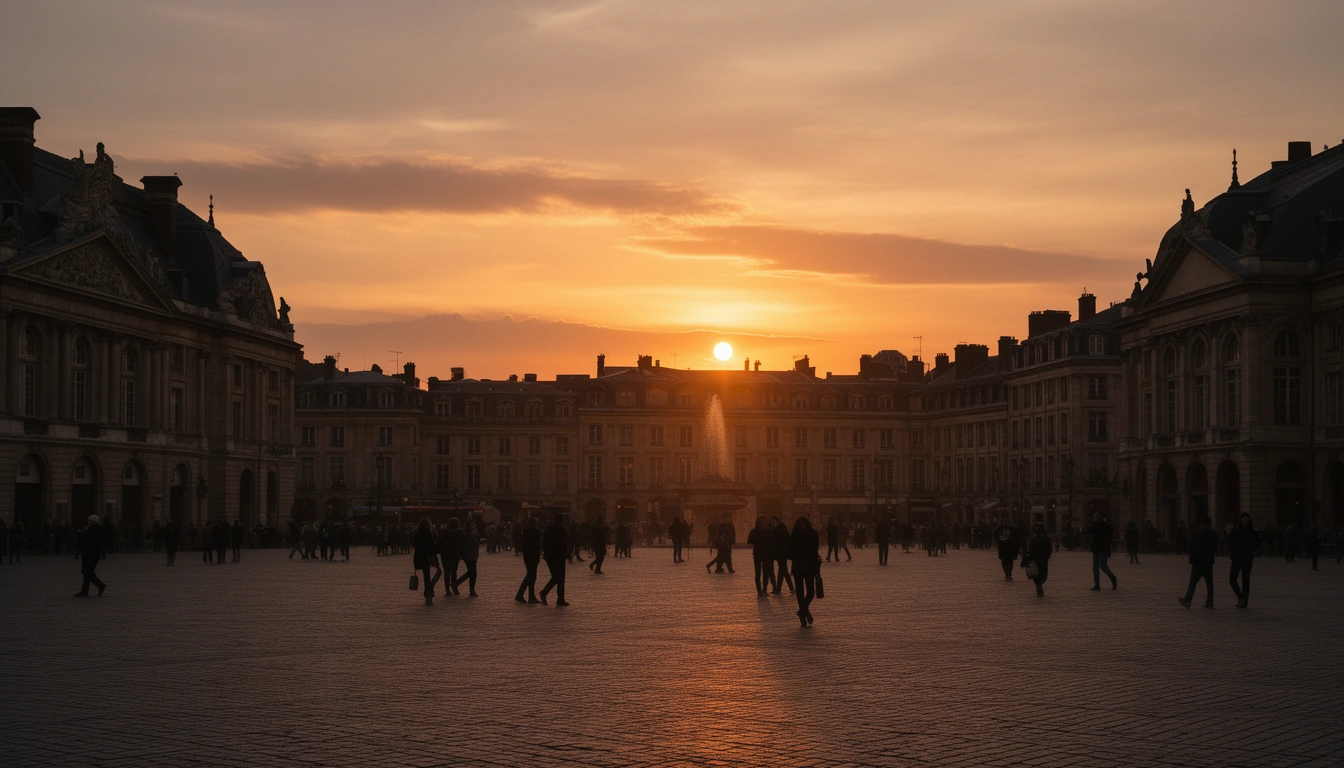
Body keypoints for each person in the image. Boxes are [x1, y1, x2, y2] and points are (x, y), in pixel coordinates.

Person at [1179, 515, 1218, 608]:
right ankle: (1210, 602)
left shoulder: (1197, 531)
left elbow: (1191, 545)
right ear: (1210, 523)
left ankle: (1188, 600)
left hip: (1198, 561)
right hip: (1208, 561)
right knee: (1209, 582)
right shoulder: (1213, 533)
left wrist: (1191, 559)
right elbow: (1215, 547)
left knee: (1193, 582)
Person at [789, 517, 821, 627]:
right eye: (799, 524)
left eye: (803, 524)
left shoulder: (813, 534)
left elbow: (815, 550)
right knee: (800, 592)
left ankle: (802, 611)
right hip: (798, 566)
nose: (801, 526)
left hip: (810, 566)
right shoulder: (794, 535)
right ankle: (804, 614)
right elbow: (790, 552)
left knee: (811, 591)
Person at [1227, 513, 1259, 608]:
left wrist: (1251, 548)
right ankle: (1241, 597)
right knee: (1232, 580)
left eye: (1246, 518)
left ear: (1249, 519)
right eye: (1242, 518)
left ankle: (1244, 601)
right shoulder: (1236, 530)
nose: (1244, 520)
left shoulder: (1253, 531)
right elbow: (1231, 542)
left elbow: (1257, 543)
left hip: (1247, 558)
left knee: (1245, 580)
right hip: (1237, 558)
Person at [540, 514, 570, 606]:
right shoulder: (561, 529)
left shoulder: (548, 529)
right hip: (559, 556)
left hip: (549, 555)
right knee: (559, 578)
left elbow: (544, 541)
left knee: (556, 577)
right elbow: (564, 543)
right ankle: (555, 597)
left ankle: (558, 598)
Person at [74, 515, 106, 597]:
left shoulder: (94, 530)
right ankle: (85, 591)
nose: (88, 522)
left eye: (90, 521)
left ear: (94, 522)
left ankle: (100, 585)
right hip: (90, 554)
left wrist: (81, 534)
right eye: (88, 521)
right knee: (87, 572)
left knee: (86, 571)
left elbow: (88, 540)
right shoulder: (93, 530)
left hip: (91, 554)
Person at [412, 517, 441, 605]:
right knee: (436, 573)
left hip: (420, 557)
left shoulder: (418, 533)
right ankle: (429, 592)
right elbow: (430, 546)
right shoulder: (427, 533)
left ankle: (428, 592)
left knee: (427, 576)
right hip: (429, 557)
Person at [1088, 513, 1117, 591]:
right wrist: (1091, 524)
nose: (1096, 518)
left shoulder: (1105, 525)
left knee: (1103, 566)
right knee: (1095, 568)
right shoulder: (1094, 525)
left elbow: (1105, 536)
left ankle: (1113, 578)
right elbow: (1089, 531)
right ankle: (1097, 585)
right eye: (1095, 517)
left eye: (1097, 517)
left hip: (1103, 548)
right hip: (1095, 548)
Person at [516, 517, 542, 603]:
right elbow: (536, 543)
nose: (535, 524)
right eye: (534, 523)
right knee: (531, 576)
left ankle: (531, 596)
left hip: (530, 555)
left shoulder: (528, 531)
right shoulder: (532, 531)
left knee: (532, 576)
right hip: (532, 555)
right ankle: (521, 595)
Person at [453, 521, 481, 596]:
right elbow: (474, 543)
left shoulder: (464, 534)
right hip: (471, 555)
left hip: (468, 555)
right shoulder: (470, 534)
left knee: (471, 572)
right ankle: (470, 590)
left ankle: (457, 584)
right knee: (473, 573)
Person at [1024, 524, 1052, 597]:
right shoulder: (1046, 538)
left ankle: (1038, 585)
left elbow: (1031, 549)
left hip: (1035, 558)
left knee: (1036, 573)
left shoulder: (1034, 538)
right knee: (1044, 573)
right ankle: (1040, 584)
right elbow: (1049, 548)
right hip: (1043, 558)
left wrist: (1030, 558)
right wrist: (1047, 555)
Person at [747, 516, 773, 597]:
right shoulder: (767, 531)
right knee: (763, 572)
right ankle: (762, 590)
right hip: (764, 553)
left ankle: (761, 590)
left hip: (760, 553)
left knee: (760, 573)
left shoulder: (755, 531)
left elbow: (750, 541)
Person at [439, 518, 462, 595]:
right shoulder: (459, 532)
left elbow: (440, 542)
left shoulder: (444, 532)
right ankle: (454, 587)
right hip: (455, 554)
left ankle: (447, 589)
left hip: (445, 555)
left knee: (447, 572)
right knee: (454, 572)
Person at [771, 516, 793, 594]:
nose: (772, 524)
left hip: (781, 553)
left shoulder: (779, 530)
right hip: (782, 553)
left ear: (777, 522)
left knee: (783, 570)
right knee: (782, 570)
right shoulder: (782, 529)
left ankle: (788, 588)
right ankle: (781, 588)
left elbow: (778, 542)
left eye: (773, 522)